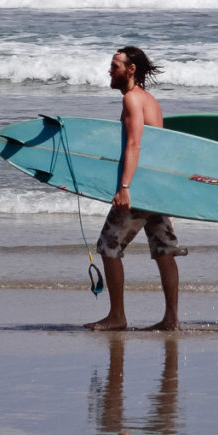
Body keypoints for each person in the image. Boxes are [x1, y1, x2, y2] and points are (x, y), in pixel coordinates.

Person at [85, 46, 187, 331]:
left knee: (108, 246)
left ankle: (117, 316)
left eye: (115, 66)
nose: (110, 70)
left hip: (140, 187)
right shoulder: (149, 100)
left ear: (131, 70)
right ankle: (171, 319)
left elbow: (135, 144)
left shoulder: (132, 99)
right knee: (164, 249)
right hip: (157, 187)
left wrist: (125, 187)